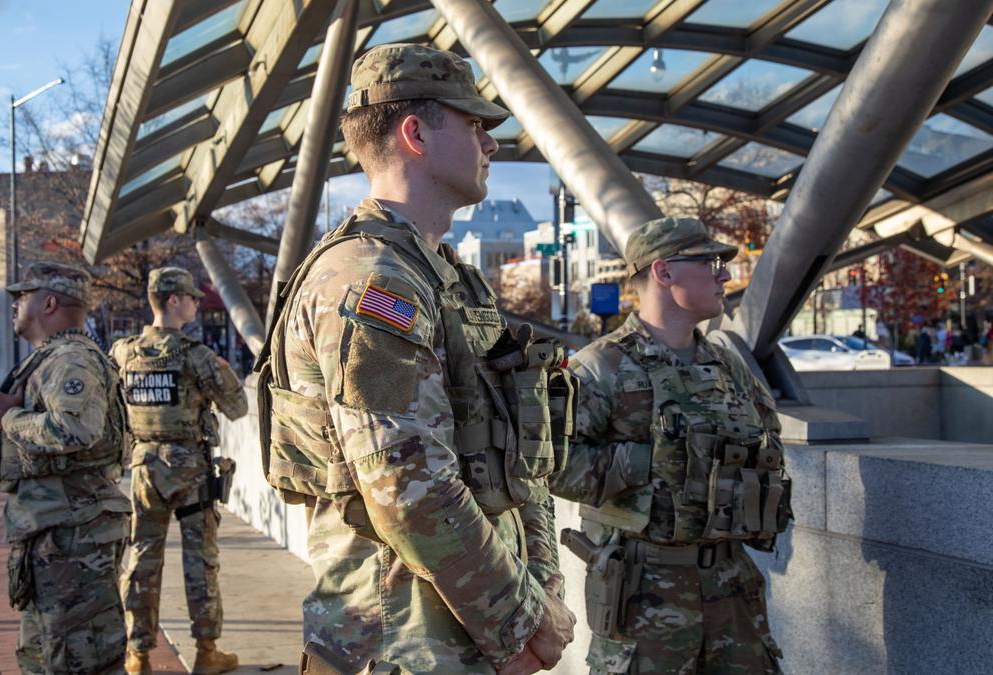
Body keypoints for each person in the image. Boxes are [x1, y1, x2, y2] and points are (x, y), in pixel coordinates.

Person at [256, 43, 576, 674]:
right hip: (398, 645)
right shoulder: (371, 281)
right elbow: (405, 486)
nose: (490, 143)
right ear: (415, 133)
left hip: (469, 636)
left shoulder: (452, 281)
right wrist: (520, 624)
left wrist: (540, 598)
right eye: (474, 125)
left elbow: (522, 461)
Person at [549, 217, 792, 674]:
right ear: (663, 272)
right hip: (646, 595)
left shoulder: (728, 366)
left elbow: (766, 445)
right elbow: (550, 463)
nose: (724, 275)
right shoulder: (601, 367)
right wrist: (647, 463)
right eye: (710, 262)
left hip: (732, 586)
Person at [0, 261, 131, 674]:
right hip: (55, 532)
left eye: (22, 296)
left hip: (75, 535)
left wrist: (7, 420)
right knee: (45, 657)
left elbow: (76, 429)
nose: (14, 305)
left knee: (81, 660)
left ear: (49, 303)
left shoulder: (70, 359)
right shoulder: (51, 358)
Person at [110, 267, 248, 675]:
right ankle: (207, 651)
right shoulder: (194, 355)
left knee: (141, 559)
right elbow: (237, 406)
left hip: (144, 468)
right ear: (173, 300)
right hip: (189, 471)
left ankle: (137, 655)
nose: (196, 301)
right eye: (190, 295)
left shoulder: (124, 352)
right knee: (200, 560)